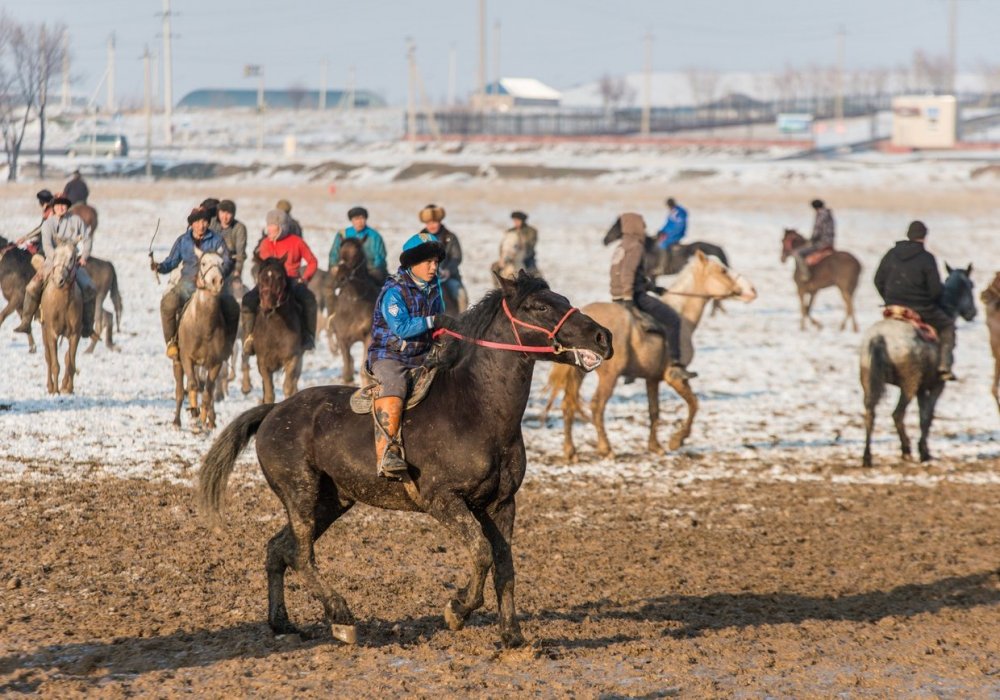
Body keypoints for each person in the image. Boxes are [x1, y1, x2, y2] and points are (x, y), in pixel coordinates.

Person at [366, 232, 455, 479]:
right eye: (428, 262)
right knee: (395, 385)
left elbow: (437, 327)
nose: (433, 267)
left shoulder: (434, 289)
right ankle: (386, 454)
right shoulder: (393, 291)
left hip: (422, 356)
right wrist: (432, 320)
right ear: (411, 263)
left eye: (436, 262)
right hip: (390, 356)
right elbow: (402, 327)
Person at [611, 212, 696, 381]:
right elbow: (628, 273)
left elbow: (629, 275)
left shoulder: (622, 246)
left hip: (618, 296)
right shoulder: (636, 246)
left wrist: (654, 288)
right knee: (673, 319)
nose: (644, 227)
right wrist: (629, 298)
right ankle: (676, 365)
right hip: (634, 296)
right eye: (641, 224)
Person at [874, 221, 958, 381]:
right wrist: (932, 301)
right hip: (921, 308)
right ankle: (944, 365)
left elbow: (878, 280)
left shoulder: (891, 253)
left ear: (908, 234)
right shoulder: (927, 258)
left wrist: (889, 299)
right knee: (948, 325)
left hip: (893, 307)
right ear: (924, 237)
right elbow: (935, 290)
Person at [151, 207, 238, 359]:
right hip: (188, 283)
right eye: (197, 221)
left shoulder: (216, 239)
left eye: (204, 221)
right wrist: (159, 267)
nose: (202, 225)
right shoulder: (183, 241)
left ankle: (227, 345)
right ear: (191, 224)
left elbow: (228, 260)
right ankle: (172, 342)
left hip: (213, 286)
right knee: (168, 303)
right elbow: (172, 262)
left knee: (232, 306)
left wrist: (219, 275)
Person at [14, 194, 98, 337]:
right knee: (32, 287)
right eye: (58, 205)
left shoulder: (76, 220)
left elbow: (87, 238)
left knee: (90, 287)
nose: (61, 208)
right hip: (52, 261)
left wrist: (84, 256)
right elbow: (47, 245)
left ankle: (88, 326)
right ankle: (26, 322)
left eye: (64, 205)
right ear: (53, 207)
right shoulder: (48, 224)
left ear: (67, 207)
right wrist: (56, 258)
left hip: (71, 263)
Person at [241, 209, 319, 354]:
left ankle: (308, 336)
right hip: (267, 283)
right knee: (248, 300)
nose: (269, 229)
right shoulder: (265, 243)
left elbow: (312, 262)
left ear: (282, 227)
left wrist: (305, 278)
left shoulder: (297, 242)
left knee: (309, 299)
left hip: (292, 281)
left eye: (273, 226)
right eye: (268, 225)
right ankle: (249, 337)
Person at [419, 204, 467, 311]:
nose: (432, 225)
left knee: (462, 296)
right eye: (428, 222)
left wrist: (448, 270)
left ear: (440, 221)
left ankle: (463, 321)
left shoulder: (450, 237)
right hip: (424, 278)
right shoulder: (419, 238)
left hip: (447, 277)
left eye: (434, 222)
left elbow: (456, 257)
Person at [328, 206, 388, 282]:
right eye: (356, 219)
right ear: (352, 220)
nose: (359, 221)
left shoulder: (375, 236)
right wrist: (334, 265)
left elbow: (380, 257)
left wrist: (374, 269)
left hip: (370, 270)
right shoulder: (343, 234)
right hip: (346, 269)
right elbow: (334, 253)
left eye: (362, 218)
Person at [794, 199, 836, 281]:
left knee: (798, 253)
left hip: (822, 243)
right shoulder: (828, 214)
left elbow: (817, 231)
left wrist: (811, 241)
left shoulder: (821, 215)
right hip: (830, 242)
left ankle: (806, 274)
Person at [217, 199, 247, 289]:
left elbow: (240, 253)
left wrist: (237, 271)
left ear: (233, 214)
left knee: (235, 292)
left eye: (228, 213)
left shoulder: (239, 228)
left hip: (231, 265)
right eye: (222, 212)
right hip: (212, 264)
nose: (225, 217)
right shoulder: (213, 224)